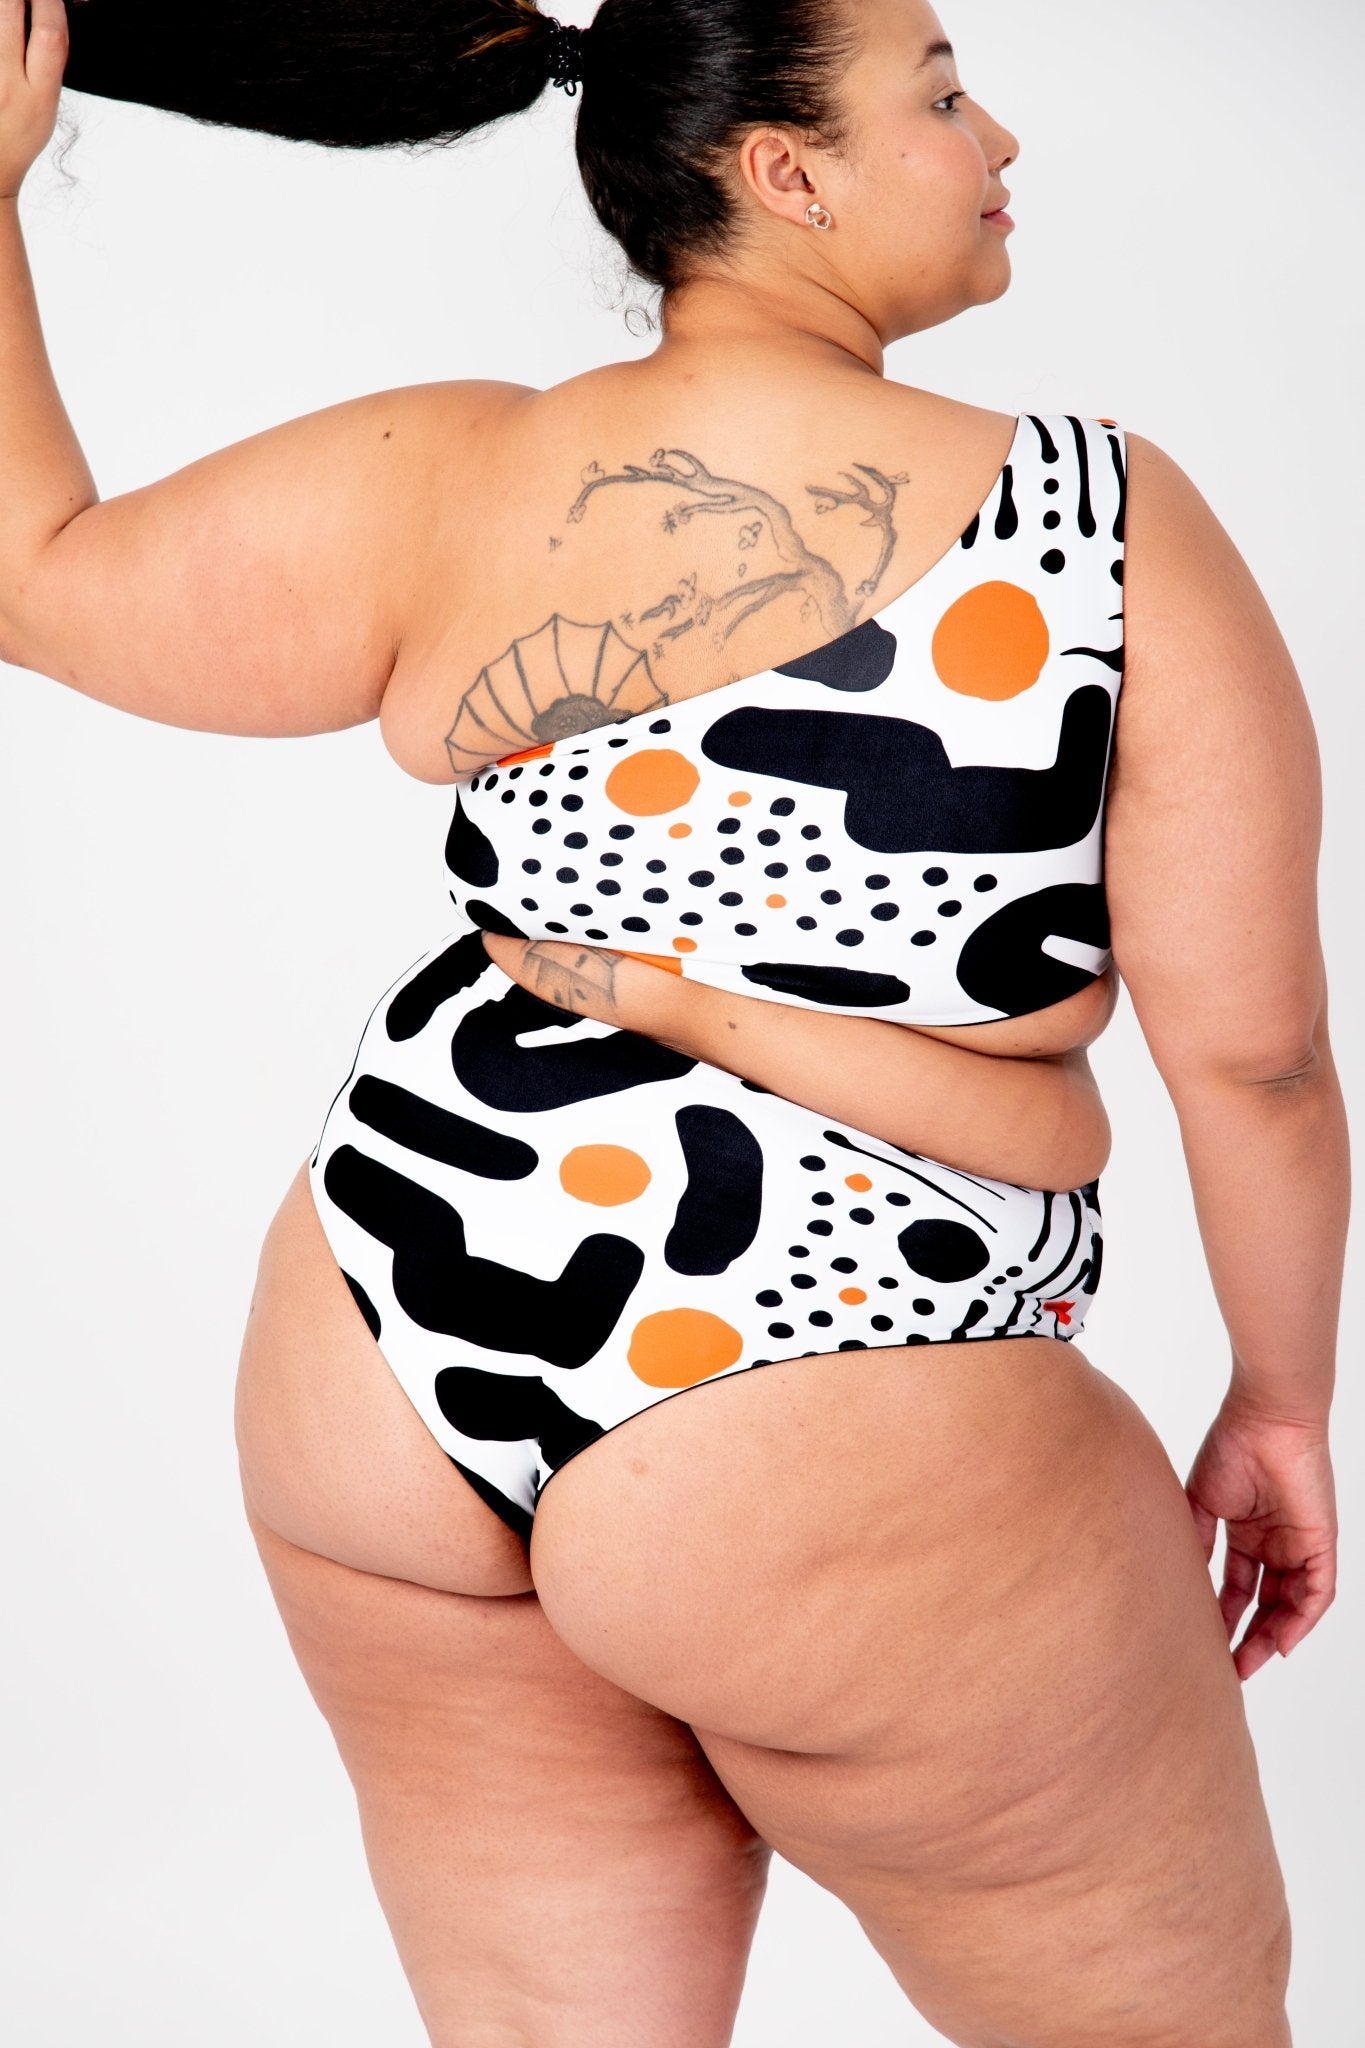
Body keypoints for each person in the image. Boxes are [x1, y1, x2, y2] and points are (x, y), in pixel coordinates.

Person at [3, 1, 1345, 2042]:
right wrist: (1277, 1402)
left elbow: (39, 578)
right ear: (781, 170)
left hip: (395, 1332)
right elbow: (1249, 1058)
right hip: (823, 1367)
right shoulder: (1093, 518)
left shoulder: (457, 466)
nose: (995, 138)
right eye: (939, 92)